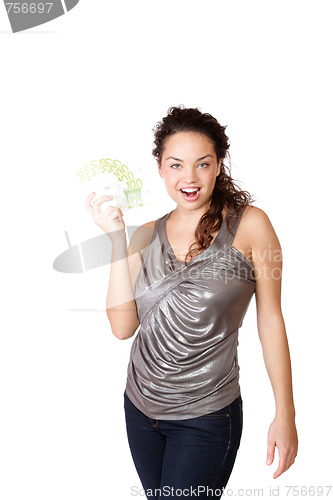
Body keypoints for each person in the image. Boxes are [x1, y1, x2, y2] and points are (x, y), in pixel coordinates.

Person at [85, 105, 298, 499]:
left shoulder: (251, 227)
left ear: (218, 165)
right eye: (176, 165)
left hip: (207, 416)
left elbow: (270, 321)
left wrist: (285, 412)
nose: (189, 177)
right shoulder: (145, 235)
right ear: (161, 168)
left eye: (202, 164)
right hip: (140, 408)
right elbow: (122, 328)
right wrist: (117, 239)